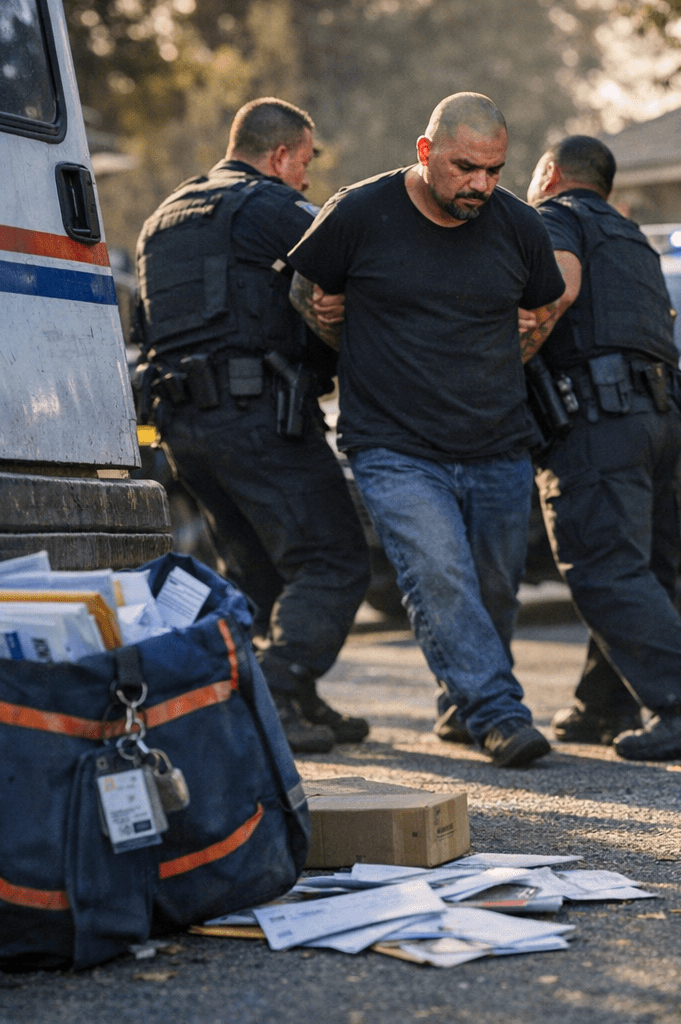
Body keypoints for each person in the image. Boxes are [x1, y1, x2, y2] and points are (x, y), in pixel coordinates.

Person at [285, 93, 567, 768]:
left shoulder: (518, 226)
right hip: (394, 445)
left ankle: (459, 706)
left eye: (494, 170)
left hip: (498, 442)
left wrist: (515, 355)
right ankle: (499, 713)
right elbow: (304, 290)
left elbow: (545, 305)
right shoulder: (360, 211)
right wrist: (338, 334)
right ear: (425, 151)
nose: (481, 184)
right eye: (466, 166)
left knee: (494, 590)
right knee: (438, 575)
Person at [134, 97, 370, 755]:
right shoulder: (268, 207)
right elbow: (353, 270)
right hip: (257, 417)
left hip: (183, 428)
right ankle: (279, 684)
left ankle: (288, 701)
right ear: (280, 155)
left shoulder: (161, 220)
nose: (306, 177)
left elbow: (141, 325)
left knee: (262, 569)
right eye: (305, 163)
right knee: (333, 558)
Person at [519, 136, 681, 760]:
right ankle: (606, 703)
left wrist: (501, 363)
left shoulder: (552, 217)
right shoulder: (632, 238)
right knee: (643, 564)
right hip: (660, 418)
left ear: (551, 173)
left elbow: (557, 294)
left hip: (599, 419)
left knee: (602, 564)